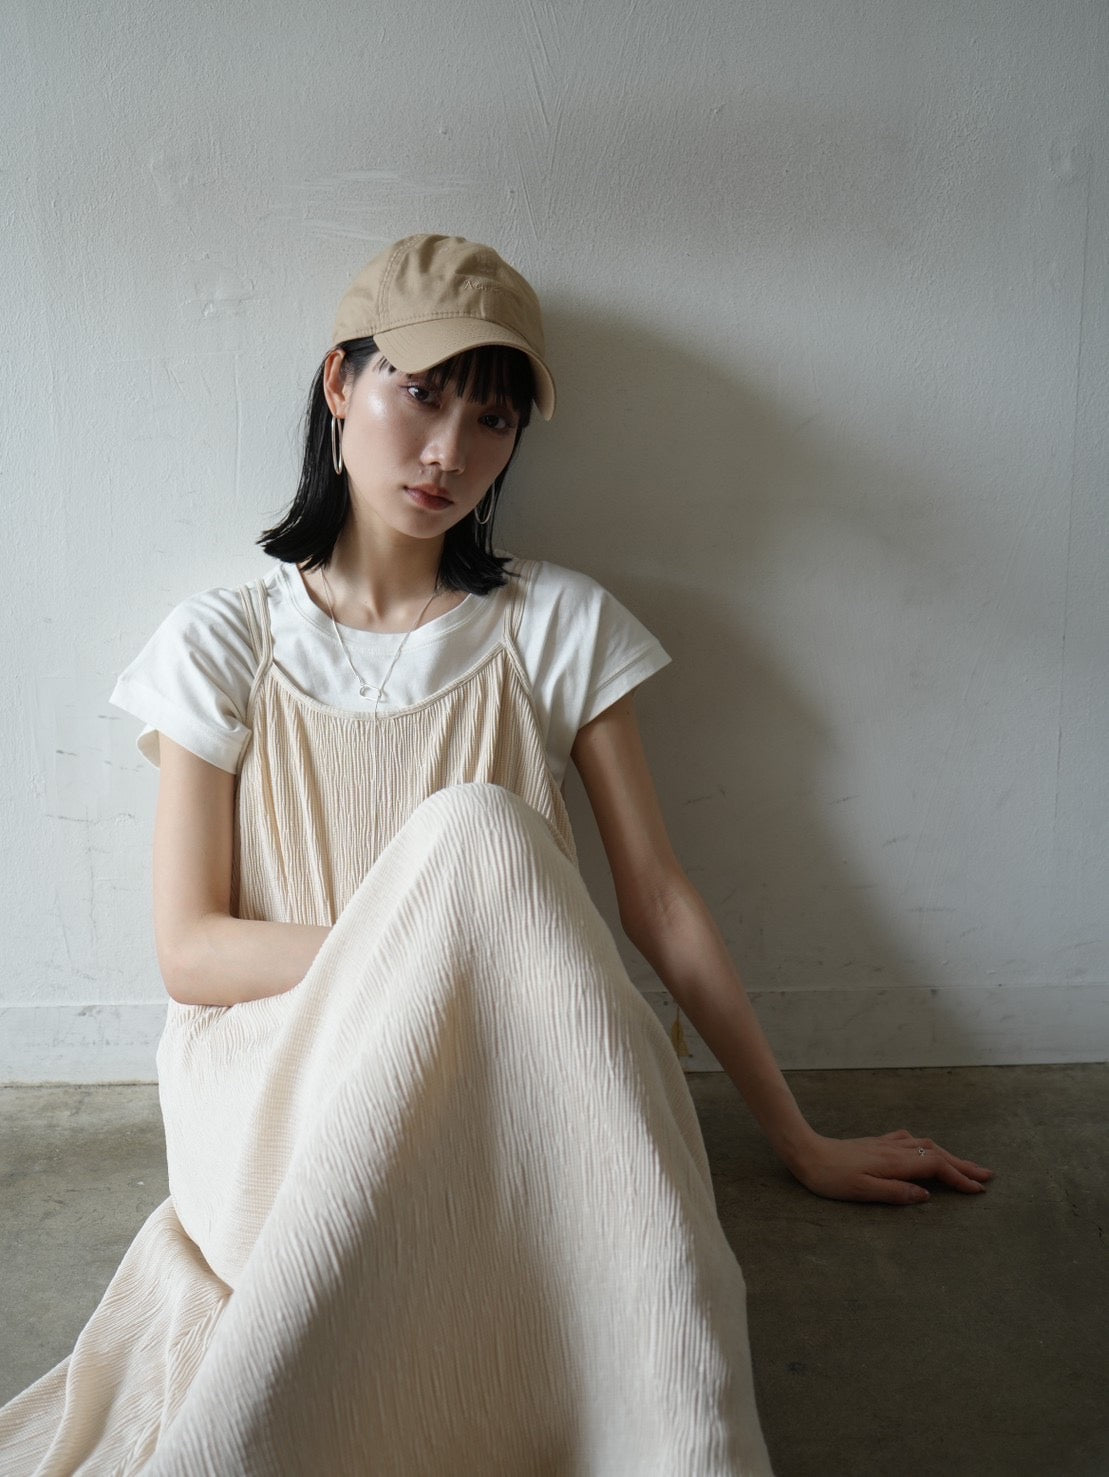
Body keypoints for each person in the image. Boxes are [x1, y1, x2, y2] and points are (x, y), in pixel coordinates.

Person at [0, 234, 992, 1475]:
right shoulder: (222, 640)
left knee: (484, 838)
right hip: (287, 1103)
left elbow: (658, 902)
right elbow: (191, 952)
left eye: (491, 419)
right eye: (419, 394)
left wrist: (797, 1137)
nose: (448, 453)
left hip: (526, 1091)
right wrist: (424, 950)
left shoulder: (555, 623)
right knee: (474, 829)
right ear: (338, 382)